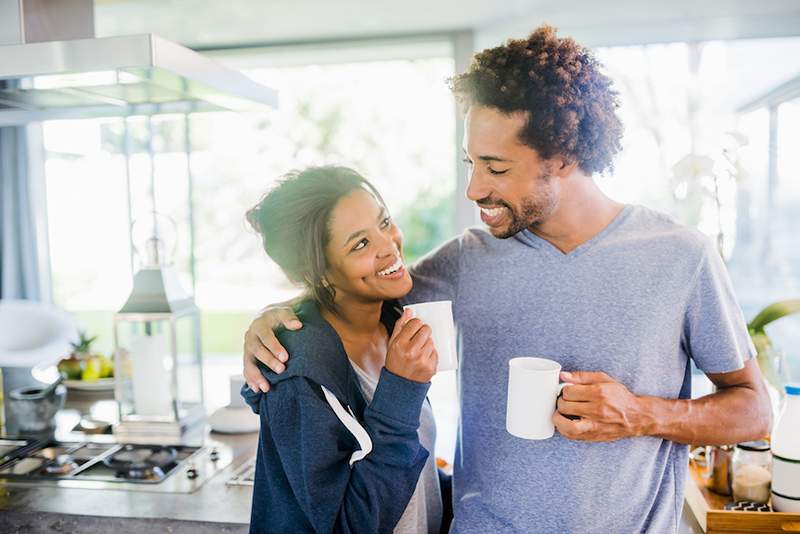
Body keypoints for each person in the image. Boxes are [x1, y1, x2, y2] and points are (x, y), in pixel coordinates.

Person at [242, 26, 771, 533]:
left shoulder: (681, 257)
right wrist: (278, 319)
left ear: (563, 157)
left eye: (495, 169)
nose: (473, 189)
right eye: (470, 162)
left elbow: (752, 408)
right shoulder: (465, 260)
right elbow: (355, 298)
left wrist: (640, 414)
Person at [241, 166, 447, 533]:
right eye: (360, 244)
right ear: (316, 273)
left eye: (384, 223)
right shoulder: (297, 374)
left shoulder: (393, 323)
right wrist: (401, 389)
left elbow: (409, 480)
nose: (389, 246)